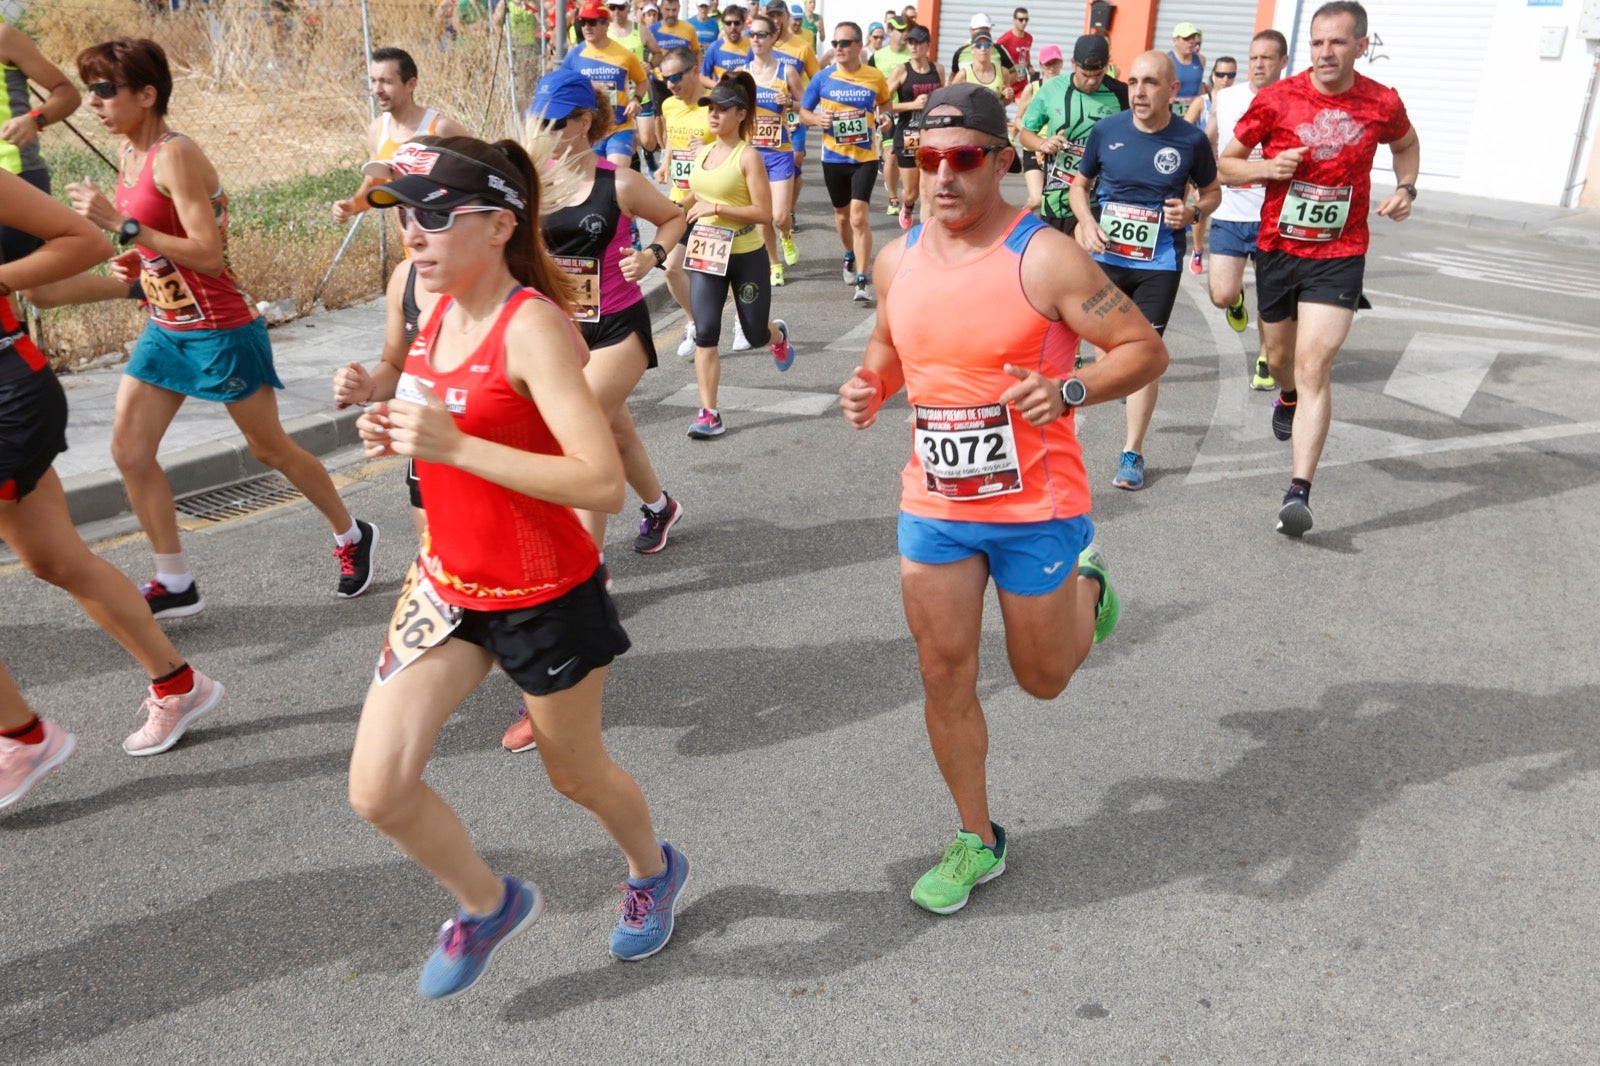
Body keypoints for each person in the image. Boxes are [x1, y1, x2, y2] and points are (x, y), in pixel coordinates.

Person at [349, 135, 689, 999]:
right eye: (405, 220)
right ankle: (485, 902)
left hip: (544, 591)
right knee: (378, 791)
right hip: (446, 584)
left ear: (500, 225)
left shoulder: (531, 324)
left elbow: (600, 481)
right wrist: (391, 424)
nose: (413, 238)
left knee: (574, 772)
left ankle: (652, 869)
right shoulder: (432, 306)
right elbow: (447, 436)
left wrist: (452, 441)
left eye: (433, 217)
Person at [837, 83, 1166, 915]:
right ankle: (977, 840)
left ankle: (1087, 586)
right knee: (943, 671)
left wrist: (1072, 391)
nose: (943, 175)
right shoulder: (895, 257)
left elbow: (1143, 348)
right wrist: (871, 386)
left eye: (964, 158)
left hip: (1036, 509)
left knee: (1044, 678)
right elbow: (888, 346)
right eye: (927, 158)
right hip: (937, 505)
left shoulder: (1043, 257)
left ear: (1001, 161)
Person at [67, 39, 378, 612]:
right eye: (90, 90)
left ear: (147, 94)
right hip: (166, 327)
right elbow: (165, 239)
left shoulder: (174, 154)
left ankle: (352, 532)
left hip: (218, 328)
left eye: (104, 90)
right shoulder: (131, 157)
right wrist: (137, 258)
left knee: (270, 449)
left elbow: (208, 254)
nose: (93, 102)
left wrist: (125, 228)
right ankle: (175, 581)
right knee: (130, 452)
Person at [0, 170, 229, 811]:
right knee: (56, 560)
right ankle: (178, 684)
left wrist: (2, 279)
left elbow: (84, 241)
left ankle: (21, 738)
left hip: (6, 391)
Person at [1219, 0, 1418, 537]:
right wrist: (1265, 167)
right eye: (1317, 42)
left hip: (1341, 252)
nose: (1325, 52)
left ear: (1361, 45)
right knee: (1281, 358)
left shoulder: (1381, 101)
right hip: (1280, 249)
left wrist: (1406, 187)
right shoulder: (1278, 99)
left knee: (1314, 365)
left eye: (1336, 42)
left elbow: (1406, 145)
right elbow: (1226, 162)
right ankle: (1284, 395)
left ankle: (1298, 491)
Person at [531, 69, 687, 559]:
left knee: (584, 428)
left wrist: (652, 258)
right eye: (538, 123)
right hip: (561, 332)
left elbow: (674, 217)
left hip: (618, 327)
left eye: (555, 124)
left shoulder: (619, 181)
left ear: (583, 122)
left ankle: (588, 568)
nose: (544, 134)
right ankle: (660, 506)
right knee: (616, 432)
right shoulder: (536, 184)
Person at [1068, 51, 1219, 493]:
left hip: (1158, 264)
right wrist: (1086, 221)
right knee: (1108, 357)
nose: (1138, 91)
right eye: (1133, 81)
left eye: (1150, 82)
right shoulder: (1106, 130)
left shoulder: (1190, 141)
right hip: (1107, 261)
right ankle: (1122, 379)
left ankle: (1132, 451)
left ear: (1173, 90)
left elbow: (1212, 194)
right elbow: (1081, 186)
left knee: (1143, 359)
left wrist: (1192, 212)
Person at [680, 73, 795, 438]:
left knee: (754, 333)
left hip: (745, 252)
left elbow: (765, 212)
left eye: (722, 110)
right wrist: (659, 212)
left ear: (741, 115)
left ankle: (778, 337)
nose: (713, 115)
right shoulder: (702, 153)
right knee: (706, 331)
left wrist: (716, 207)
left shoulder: (749, 158)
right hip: (706, 253)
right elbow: (689, 198)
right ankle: (709, 413)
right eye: (710, 109)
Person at [1207, 29, 1287, 392]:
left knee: (1272, 297)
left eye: (1267, 58)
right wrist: (1201, 174)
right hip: (1230, 210)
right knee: (1221, 294)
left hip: (1274, 216)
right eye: (1254, 57)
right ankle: (1236, 299)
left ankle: (1266, 358)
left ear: (1282, 63)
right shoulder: (1227, 97)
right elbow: (1210, 135)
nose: (1258, 64)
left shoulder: (1292, 101)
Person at [799, 22, 891, 304]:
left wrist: (886, 118)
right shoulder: (822, 78)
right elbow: (803, 111)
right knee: (842, 217)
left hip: (864, 157)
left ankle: (862, 279)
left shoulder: (874, 76)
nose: (838, 48)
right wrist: (816, 119)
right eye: (835, 44)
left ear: (859, 46)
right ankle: (849, 253)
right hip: (834, 158)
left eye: (844, 43)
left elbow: (885, 105)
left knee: (858, 216)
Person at [332, 48, 468, 223]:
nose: (377, 89)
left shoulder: (441, 129)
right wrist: (351, 206)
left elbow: (483, 173)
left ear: (411, 84)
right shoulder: (377, 129)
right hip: (412, 242)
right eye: (373, 81)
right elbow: (375, 182)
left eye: (386, 81)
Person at [1016, 35, 1127, 238]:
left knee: (1088, 251)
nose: (1092, 81)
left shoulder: (1122, 94)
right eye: (1086, 74)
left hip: (1100, 198)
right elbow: (1025, 134)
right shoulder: (1052, 89)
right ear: (1073, 64)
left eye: (1099, 74)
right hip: (1057, 197)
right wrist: (1042, 144)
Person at [0, 20, 82, 291]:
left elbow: (67, 93)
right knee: (38, 293)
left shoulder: (4, 36)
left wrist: (34, 120)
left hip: (16, 175)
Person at [745, 12, 806, 284]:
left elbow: (806, 107)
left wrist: (790, 103)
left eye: (761, 34)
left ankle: (786, 235)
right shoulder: (743, 75)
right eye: (752, 34)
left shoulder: (787, 71)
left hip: (780, 152)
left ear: (773, 38)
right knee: (762, 216)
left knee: (780, 216)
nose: (755, 39)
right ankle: (773, 264)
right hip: (752, 154)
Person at [565, 2, 651, 170]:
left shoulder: (624, 54)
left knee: (615, 177)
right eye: (582, 22)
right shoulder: (574, 56)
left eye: (592, 22)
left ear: (605, 24)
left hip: (619, 127)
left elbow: (642, 80)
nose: (586, 27)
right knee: (595, 182)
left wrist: (636, 99)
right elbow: (564, 88)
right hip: (588, 131)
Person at [885, 23, 943, 229]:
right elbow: (883, 102)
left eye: (918, 42)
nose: (914, 47)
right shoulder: (902, 70)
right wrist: (912, 104)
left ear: (928, 45)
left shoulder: (938, 70)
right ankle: (907, 205)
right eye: (911, 42)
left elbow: (944, 98)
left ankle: (924, 234)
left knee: (928, 190)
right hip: (909, 134)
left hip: (932, 135)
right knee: (912, 192)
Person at [1180, 56, 1235, 274]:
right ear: (1213, 75)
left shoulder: (1236, 101)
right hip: (1203, 163)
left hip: (1227, 162)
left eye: (1231, 75)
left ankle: (1229, 251)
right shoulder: (1202, 102)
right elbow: (1184, 128)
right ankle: (1198, 249)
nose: (1225, 79)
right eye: (1221, 74)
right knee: (1201, 205)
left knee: (1224, 207)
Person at [869, 15, 911, 213]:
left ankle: (909, 194)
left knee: (909, 156)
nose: (904, 34)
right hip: (886, 113)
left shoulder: (912, 54)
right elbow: (866, 81)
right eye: (900, 30)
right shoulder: (878, 56)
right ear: (890, 31)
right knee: (891, 155)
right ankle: (893, 198)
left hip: (909, 114)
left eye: (906, 30)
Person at [951, 13, 1015, 75]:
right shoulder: (961, 51)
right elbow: (954, 75)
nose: (983, 33)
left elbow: (1013, 73)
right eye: (981, 30)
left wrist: (1000, 83)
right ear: (971, 31)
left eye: (986, 29)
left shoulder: (999, 49)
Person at [701, 3, 752, 77]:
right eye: (728, 23)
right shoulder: (714, 47)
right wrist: (718, 86)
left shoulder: (752, 46)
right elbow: (703, 76)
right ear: (723, 25)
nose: (732, 27)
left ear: (743, 24)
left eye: (737, 23)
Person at [1167, 22, 1205, 116]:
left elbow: (1199, 85)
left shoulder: (1201, 59)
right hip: (1171, 110)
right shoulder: (1167, 60)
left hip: (1194, 112)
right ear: (1175, 40)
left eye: (1193, 38)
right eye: (1186, 38)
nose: (1191, 41)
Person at [995, 7, 1032, 98]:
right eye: (1021, 19)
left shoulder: (1029, 38)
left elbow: (1027, 53)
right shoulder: (1004, 40)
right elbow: (995, 58)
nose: (1024, 22)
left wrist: (1029, 66)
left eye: (1026, 20)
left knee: (1026, 107)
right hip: (1009, 84)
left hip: (1023, 83)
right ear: (1014, 20)